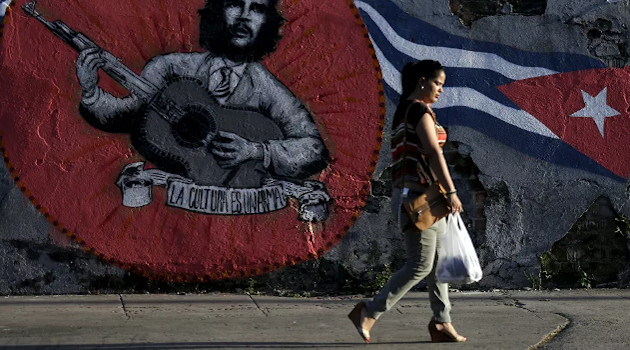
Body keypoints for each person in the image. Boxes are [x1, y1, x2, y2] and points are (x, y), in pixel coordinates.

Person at [75, 0, 329, 187]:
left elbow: (314, 149)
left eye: (257, 8)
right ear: (218, 12)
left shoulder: (266, 88)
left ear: (267, 22)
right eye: (234, 5)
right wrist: (90, 92)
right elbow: (126, 115)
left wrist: (256, 151)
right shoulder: (170, 69)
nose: (243, 17)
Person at [348, 60, 466, 343]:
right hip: (418, 198)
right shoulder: (417, 110)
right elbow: (434, 154)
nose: (440, 89)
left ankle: (442, 322)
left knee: (439, 263)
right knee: (421, 265)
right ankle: (369, 310)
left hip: (424, 195)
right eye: (438, 83)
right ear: (423, 81)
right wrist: (452, 192)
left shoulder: (406, 111)